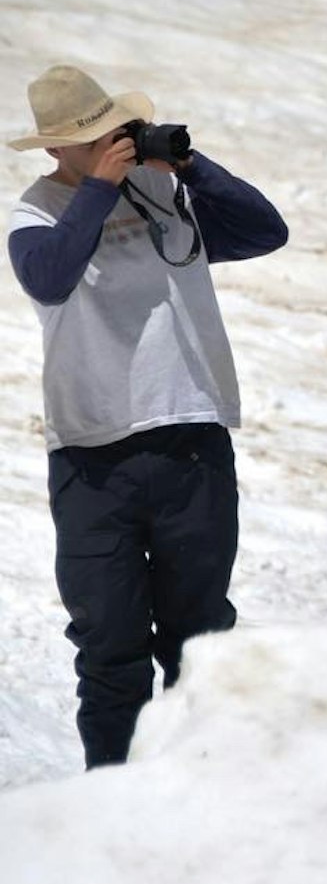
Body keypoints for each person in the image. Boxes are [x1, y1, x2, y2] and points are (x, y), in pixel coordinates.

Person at [8, 64, 289, 767]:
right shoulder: (35, 213)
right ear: (56, 150)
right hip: (92, 458)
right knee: (110, 648)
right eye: (94, 138)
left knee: (200, 644)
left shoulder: (166, 194)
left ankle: (200, 793)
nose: (114, 143)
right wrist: (99, 189)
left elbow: (264, 232)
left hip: (189, 439)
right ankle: (113, 805)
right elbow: (49, 275)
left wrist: (190, 164)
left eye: (116, 130)